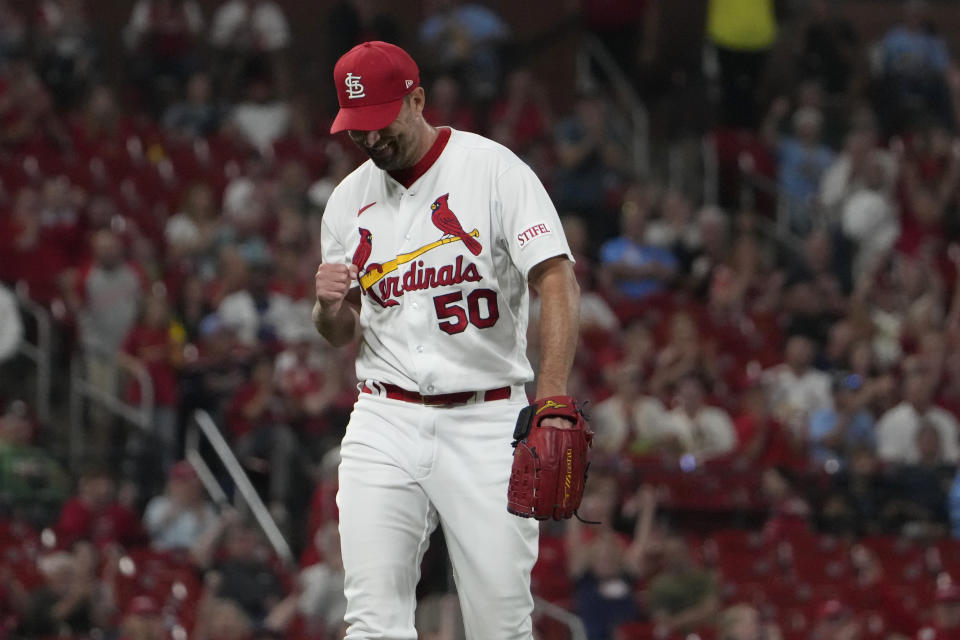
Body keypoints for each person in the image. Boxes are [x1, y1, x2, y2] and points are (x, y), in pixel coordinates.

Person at [313, 41, 580, 639]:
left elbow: (556, 279)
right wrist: (327, 307)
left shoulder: (494, 171)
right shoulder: (346, 202)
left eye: (381, 123)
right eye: (357, 129)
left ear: (418, 100)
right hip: (384, 417)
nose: (370, 139)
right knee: (371, 623)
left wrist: (554, 397)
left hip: (484, 419)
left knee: (500, 626)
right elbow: (339, 333)